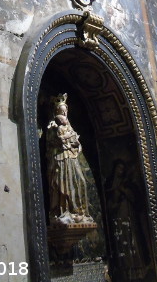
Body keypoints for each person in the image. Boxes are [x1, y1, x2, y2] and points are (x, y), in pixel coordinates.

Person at [45, 94, 93, 225]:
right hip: (60, 160)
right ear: (57, 112)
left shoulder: (69, 126)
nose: (64, 113)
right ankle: (63, 212)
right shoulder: (53, 126)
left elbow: (75, 141)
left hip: (72, 158)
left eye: (65, 110)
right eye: (62, 111)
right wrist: (66, 138)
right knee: (63, 185)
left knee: (80, 181)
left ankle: (79, 212)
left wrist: (75, 143)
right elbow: (55, 142)